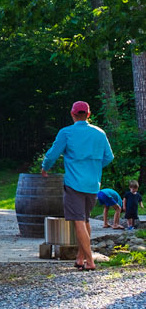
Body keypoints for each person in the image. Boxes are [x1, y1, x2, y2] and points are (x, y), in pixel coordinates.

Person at [41, 100, 114, 271]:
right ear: (88, 114)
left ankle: (90, 261)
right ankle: (80, 258)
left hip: (74, 184)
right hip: (93, 183)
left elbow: (53, 154)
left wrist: (45, 168)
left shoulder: (66, 133)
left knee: (78, 221)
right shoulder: (100, 133)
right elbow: (109, 157)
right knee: (85, 220)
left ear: (72, 114)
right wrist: (94, 167)